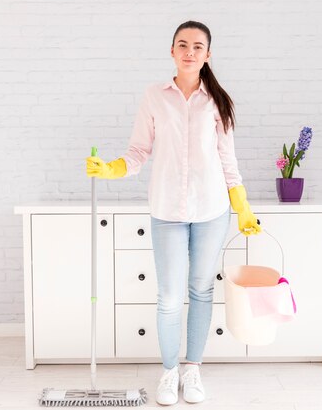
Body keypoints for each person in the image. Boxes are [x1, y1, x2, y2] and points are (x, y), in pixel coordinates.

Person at [86, 20, 261, 406]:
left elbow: (227, 161)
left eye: (198, 46)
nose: (189, 51)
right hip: (166, 209)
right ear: (171, 50)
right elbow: (138, 152)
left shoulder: (218, 101)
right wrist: (112, 168)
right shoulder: (154, 96)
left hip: (212, 209)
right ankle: (169, 372)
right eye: (182, 44)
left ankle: (192, 370)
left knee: (201, 290)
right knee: (168, 296)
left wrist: (242, 206)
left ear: (208, 54)